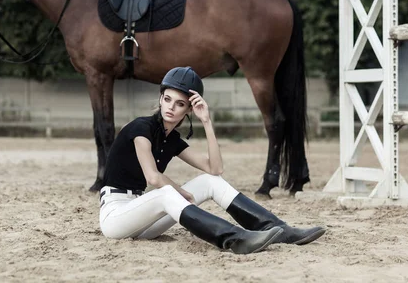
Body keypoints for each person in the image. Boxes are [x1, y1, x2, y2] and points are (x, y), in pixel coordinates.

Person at [99, 66, 325, 254]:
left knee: (208, 181)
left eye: (179, 103)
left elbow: (215, 168)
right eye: (167, 99)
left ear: (188, 109)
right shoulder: (140, 128)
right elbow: (153, 178)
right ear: (160, 98)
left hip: (144, 220)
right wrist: (181, 191)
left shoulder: (172, 139)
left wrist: (206, 121)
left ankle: (279, 229)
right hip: (116, 217)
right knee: (167, 192)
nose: (170, 106)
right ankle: (235, 239)